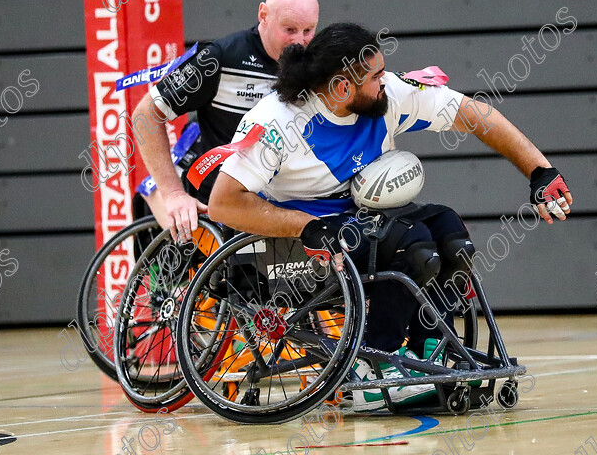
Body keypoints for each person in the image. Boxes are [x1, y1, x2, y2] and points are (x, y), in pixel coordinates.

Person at [207, 22, 572, 411]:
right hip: (295, 246)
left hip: (361, 227)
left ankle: (425, 347)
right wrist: (303, 224)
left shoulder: (386, 95)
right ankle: (367, 368)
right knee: (410, 245)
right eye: (376, 76)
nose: (387, 81)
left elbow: (472, 114)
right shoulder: (277, 123)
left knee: (449, 233)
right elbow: (224, 204)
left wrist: (539, 172)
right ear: (343, 88)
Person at [132, 0, 319, 241]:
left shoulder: (317, 61)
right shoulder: (219, 58)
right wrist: (173, 194)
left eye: (308, 30)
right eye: (289, 29)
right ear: (263, 15)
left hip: (285, 205)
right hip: (221, 207)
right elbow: (144, 115)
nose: (299, 41)